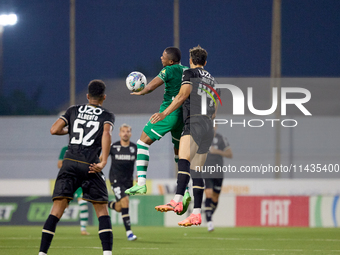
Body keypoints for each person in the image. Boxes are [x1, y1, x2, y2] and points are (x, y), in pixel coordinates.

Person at [38, 80, 114, 255]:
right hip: (90, 165)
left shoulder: (73, 110)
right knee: (102, 211)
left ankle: (42, 253)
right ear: (104, 97)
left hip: (70, 162)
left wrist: (69, 131)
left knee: (56, 211)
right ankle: (107, 253)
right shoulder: (107, 115)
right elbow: (106, 134)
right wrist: (103, 162)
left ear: (87, 96)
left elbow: (54, 130)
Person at [153, 45, 218, 227]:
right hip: (208, 126)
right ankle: (196, 214)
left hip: (194, 121)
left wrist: (165, 113)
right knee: (197, 169)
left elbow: (182, 96)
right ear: (205, 62)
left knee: (183, 159)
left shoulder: (189, 73)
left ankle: (176, 199)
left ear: (190, 61)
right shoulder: (212, 80)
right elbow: (215, 107)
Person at [124, 46, 191, 214]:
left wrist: (140, 91)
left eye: (163, 56)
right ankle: (185, 191)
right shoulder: (187, 70)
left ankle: (140, 184)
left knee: (142, 142)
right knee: (180, 156)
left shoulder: (168, 70)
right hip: (183, 116)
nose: (161, 58)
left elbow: (151, 86)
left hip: (168, 113)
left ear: (170, 60)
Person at [107, 124, 137, 241]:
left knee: (120, 207)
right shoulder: (113, 147)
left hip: (128, 181)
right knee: (125, 202)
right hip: (115, 179)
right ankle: (129, 232)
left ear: (130, 134)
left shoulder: (134, 148)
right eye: (123, 131)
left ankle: (106, 204)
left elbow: (140, 162)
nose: (125, 133)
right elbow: (102, 158)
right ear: (119, 134)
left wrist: (140, 175)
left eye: (127, 131)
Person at [203, 126, 232, 232]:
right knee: (209, 194)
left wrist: (217, 151)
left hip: (218, 172)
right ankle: (210, 222)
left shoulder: (221, 139)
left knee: (215, 198)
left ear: (216, 126)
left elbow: (230, 154)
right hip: (206, 171)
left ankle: (209, 214)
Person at [58, 146, 90, 236]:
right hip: (68, 180)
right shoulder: (65, 149)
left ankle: (83, 229)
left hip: (80, 181)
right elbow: (59, 164)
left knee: (83, 204)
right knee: (62, 205)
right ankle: (51, 225)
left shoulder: (85, 149)